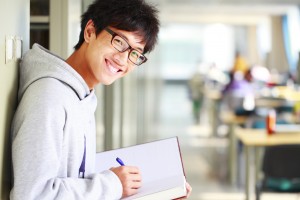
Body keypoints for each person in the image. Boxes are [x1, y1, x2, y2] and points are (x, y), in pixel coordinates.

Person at [10, 0, 191, 199]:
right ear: (90, 31)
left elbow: (73, 181)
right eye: (119, 42)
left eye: (135, 54)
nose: (123, 60)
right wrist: (112, 184)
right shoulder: (49, 96)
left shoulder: (82, 97)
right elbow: (34, 195)